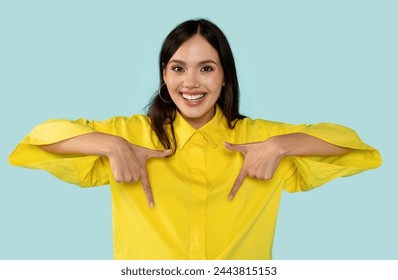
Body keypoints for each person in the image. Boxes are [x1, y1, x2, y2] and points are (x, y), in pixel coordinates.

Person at [9, 19, 382, 260]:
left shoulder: (261, 139)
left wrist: (281, 146)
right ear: (164, 76)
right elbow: (37, 141)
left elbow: (356, 149)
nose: (190, 83)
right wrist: (111, 146)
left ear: (224, 78)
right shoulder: (129, 134)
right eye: (178, 68)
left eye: (206, 68)